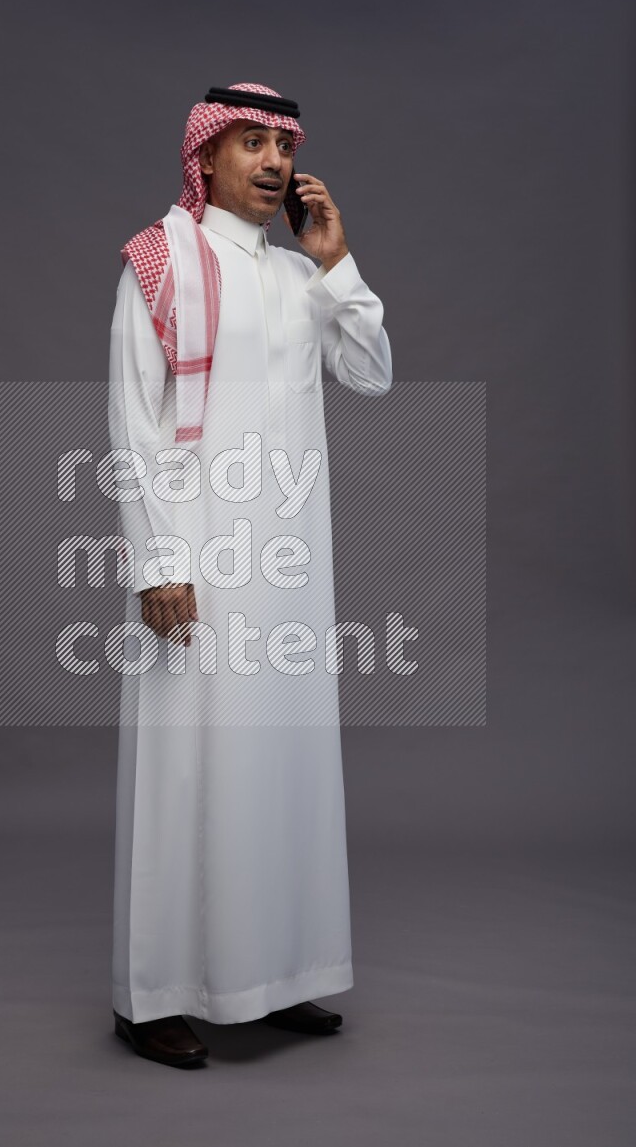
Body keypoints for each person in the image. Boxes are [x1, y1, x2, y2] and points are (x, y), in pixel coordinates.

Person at [107, 82, 392, 1068]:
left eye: (284, 146)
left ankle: (274, 975)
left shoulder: (299, 275)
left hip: (289, 565)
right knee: (185, 771)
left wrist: (337, 262)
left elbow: (371, 371)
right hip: (196, 561)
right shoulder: (160, 259)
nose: (273, 163)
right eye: (251, 143)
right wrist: (158, 561)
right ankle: (152, 996)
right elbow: (133, 422)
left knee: (283, 765)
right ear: (204, 157)